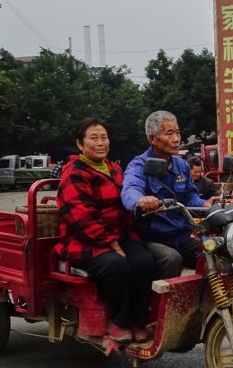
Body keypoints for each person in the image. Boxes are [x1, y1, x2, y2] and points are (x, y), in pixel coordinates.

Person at [56, 118, 157, 344]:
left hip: (119, 235)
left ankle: (137, 320)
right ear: (80, 145)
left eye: (104, 137)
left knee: (144, 261)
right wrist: (109, 241)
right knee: (116, 265)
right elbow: (81, 216)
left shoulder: (115, 169)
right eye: (94, 138)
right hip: (84, 240)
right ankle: (117, 322)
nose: (101, 142)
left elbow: (128, 200)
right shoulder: (74, 173)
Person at [122, 111, 216, 278]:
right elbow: (130, 188)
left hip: (181, 235)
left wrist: (205, 204)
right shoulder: (139, 165)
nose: (176, 139)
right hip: (152, 239)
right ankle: (160, 303)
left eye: (178, 132)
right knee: (172, 259)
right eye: (169, 133)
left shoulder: (182, 165)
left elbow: (189, 197)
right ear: (153, 139)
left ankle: (204, 302)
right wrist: (140, 200)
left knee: (212, 251)